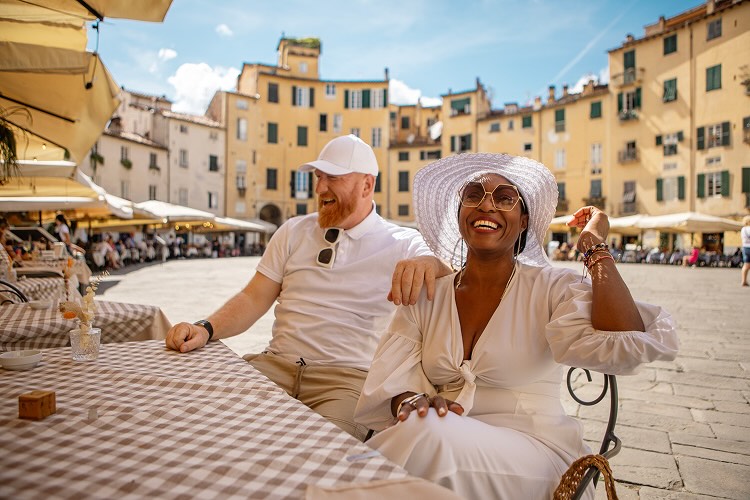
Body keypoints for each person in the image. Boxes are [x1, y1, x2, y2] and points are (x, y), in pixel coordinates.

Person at [354, 153, 678, 499]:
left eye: (505, 198)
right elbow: (391, 384)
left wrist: (592, 244)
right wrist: (411, 401)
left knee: (428, 440)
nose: (486, 205)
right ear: (460, 213)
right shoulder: (430, 295)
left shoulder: (551, 288)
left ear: (524, 221)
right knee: (427, 432)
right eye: (474, 195)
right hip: (438, 439)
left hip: (537, 454)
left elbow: (625, 341)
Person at [165, 135, 448, 441]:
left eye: (333, 178)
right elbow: (252, 297)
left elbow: (444, 270)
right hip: (273, 367)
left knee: (320, 453)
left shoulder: (402, 242)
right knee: (208, 429)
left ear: (367, 185)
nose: (319, 189)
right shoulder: (292, 230)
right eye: (318, 177)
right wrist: (206, 328)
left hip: (347, 381)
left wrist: (433, 265)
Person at [741, 215, 750, 286]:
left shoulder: (743, 229)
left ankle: (744, 280)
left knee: (746, 265)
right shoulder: (749, 228)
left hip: (745, 248)